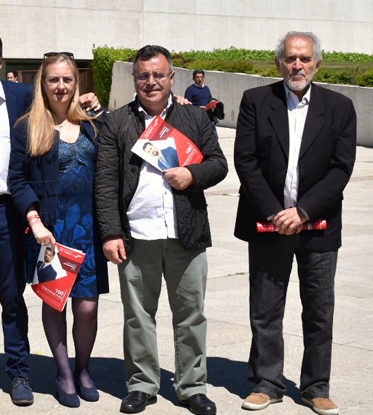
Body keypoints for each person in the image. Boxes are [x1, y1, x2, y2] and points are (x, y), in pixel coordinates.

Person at [0, 29, 101, 407]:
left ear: (1, 62)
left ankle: (19, 372)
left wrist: (92, 100)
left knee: (13, 297)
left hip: (10, 213)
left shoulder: (20, 97)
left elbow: (67, 102)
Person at [95, 45, 227, 415]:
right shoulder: (117, 122)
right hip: (136, 235)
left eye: (158, 74)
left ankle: (191, 386)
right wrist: (110, 233)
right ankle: (141, 384)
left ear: (172, 78)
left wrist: (192, 175)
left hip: (186, 233)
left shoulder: (196, 119)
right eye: (143, 75)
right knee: (138, 316)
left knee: (191, 314)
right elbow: (105, 182)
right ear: (134, 79)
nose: (150, 81)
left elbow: (219, 164)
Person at [233, 31, 356, 415]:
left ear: (317, 63)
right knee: (266, 309)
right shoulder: (256, 101)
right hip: (269, 224)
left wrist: (302, 211)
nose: (297, 65)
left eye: (304, 59)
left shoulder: (339, 107)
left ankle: (316, 387)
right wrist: (275, 212)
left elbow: (340, 169)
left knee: (319, 310)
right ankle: (267, 382)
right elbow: (246, 161)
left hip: (317, 226)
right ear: (278, 63)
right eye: (290, 58)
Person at [7, 52, 109, 409]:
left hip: (89, 230)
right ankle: (64, 371)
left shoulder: (95, 125)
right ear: (43, 84)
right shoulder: (28, 126)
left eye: (67, 79)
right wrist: (34, 221)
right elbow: (17, 181)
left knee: (87, 308)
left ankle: (83, 368)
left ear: (75, 83)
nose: (61, 86)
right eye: (54, 79)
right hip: (51, 230)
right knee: (55, 304)